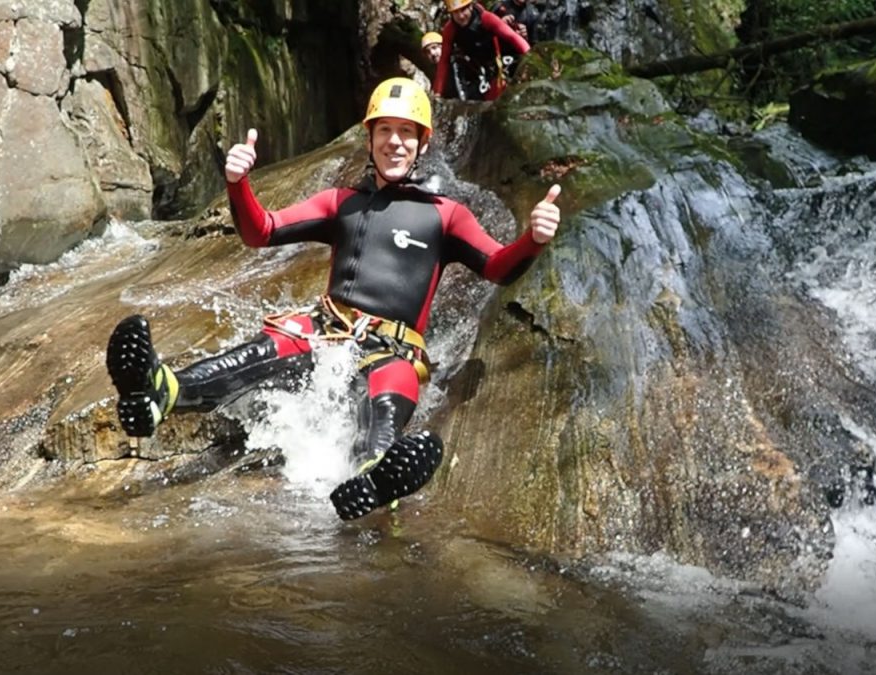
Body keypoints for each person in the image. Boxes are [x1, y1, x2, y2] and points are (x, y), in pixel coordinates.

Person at [105, 78, 561, 521]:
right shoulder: (341, 202)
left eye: (406, 133)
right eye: (385, 131)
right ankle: (159, 393)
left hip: (391, 350)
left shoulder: (447, 216)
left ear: (423, 144)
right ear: (370, 139)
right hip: (325, 329)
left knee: (389, 395)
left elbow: (498, 267)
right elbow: (260, 231)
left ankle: (373, 477)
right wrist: (237, 182)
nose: (395, 143)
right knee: (264, 348)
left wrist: (533, 240)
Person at [433, 0, 530, 101]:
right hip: (481, 68)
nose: (461, 16)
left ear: (471, 6)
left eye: (463, 9)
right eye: (455, 12)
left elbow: (513, 38)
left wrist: (530, 59)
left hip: (503, 59)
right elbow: (443, 62)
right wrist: (437, 94)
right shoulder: (450, 30)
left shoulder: (486, 18)